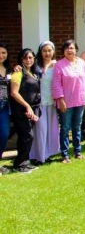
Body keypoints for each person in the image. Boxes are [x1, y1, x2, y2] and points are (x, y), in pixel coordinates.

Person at [52, 41, 85, 163]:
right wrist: (61, 99)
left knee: (77, 127)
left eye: (72, 48)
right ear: (63, 51)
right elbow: (56, 84)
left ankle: (77, 152)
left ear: (76, 50)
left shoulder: (81, 63)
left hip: (80, 100)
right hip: (66, 102)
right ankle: (64, 154)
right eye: (67, 48)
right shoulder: (59, 65)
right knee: (65, 128)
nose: (70, 51)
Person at [9, 48, 41, 173]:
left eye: (31, 57)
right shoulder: (18, 73)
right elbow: (14, 92)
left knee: (27, 137)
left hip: (30, 111)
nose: (28, 60)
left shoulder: (33, 73)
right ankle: (19, 164)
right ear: (21, 59)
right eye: (25, 57)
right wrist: (27, 106)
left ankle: (25, 162)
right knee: (27, 136)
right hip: (20, 110)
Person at [30, 41, 60, 163]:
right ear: (40, 52)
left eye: (49, 50)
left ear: (53, 52)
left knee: (51, 129)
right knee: (40, 129)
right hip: (39, 102)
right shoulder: (35, 65)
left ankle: (48, 154)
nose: (47, 53)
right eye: (44, 51)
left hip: (52, 101)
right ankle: (39, 155)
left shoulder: (57, 65)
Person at [0, 43, 11, 176]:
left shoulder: (9, 69)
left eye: (3, 52)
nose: (1, 55)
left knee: (4, 134)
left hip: (4, 106)